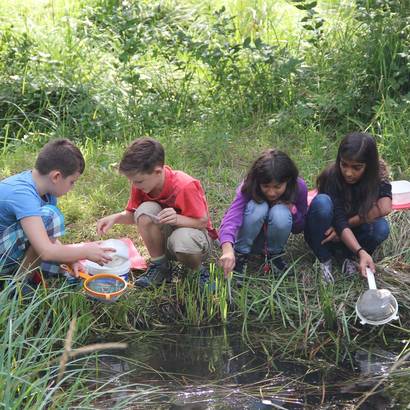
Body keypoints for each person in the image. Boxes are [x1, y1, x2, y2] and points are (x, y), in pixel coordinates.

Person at [96, 137, 218, 288]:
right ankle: (161, 267)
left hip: (194, 240)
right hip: (166, 239)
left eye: (138, 181)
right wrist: (115, 218)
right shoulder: (142, 185)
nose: (134, 185)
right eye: (132, 181)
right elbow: (135, 215)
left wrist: (177, 219)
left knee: (182, 238)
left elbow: (202, 222)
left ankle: (198, 272)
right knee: (145, 210)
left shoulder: (184, 185)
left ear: (158, 171)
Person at [0, 138, 114, 284]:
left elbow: (44, 236)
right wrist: (85, 251)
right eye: (72, 182)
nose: (72, 187)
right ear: (56, 177)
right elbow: (46, 251)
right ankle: (18, 286)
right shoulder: (23, 194)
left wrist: (71, 259)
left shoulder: (46, 192)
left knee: (67, 272)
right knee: (50, 216)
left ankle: (27, 274)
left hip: (8, 249)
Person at [304, 132, 392, 282]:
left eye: (356, 168)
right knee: (322, 202)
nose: (348, 173)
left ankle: (347, 256)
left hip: (347, 230)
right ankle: (324, 258)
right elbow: (338, 219)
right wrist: (360, 250)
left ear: (369, 166)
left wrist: (344, 228)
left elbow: (385, 207)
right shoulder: (332, 176)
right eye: (344, 164)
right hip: (325, 231)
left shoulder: (377, 176)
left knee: (381, 228)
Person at [218, 148, 308, 280]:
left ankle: (274, 257)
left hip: (273, 239)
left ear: (288, 181)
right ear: (258, 181)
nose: (271, 193)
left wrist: (292, 209)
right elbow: (232, 217)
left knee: (280, 212)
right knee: (258, 206)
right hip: (249, 237)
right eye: (265, 186)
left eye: (277, 187)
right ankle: (240, 255)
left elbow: (298, 228)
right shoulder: (249, 185)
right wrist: (227, 250)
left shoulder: (299, 188)